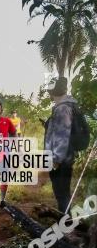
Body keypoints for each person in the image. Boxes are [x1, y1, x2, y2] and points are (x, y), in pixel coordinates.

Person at [44, 78, 84, 213]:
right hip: (66, 157)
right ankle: (66, 222)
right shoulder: (67, 106)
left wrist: (56, 160)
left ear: (53, 92)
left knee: (62, 194)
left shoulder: (62, 108)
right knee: (63, 193)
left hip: (61, 159)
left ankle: (65, 225)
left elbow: (62, 136)